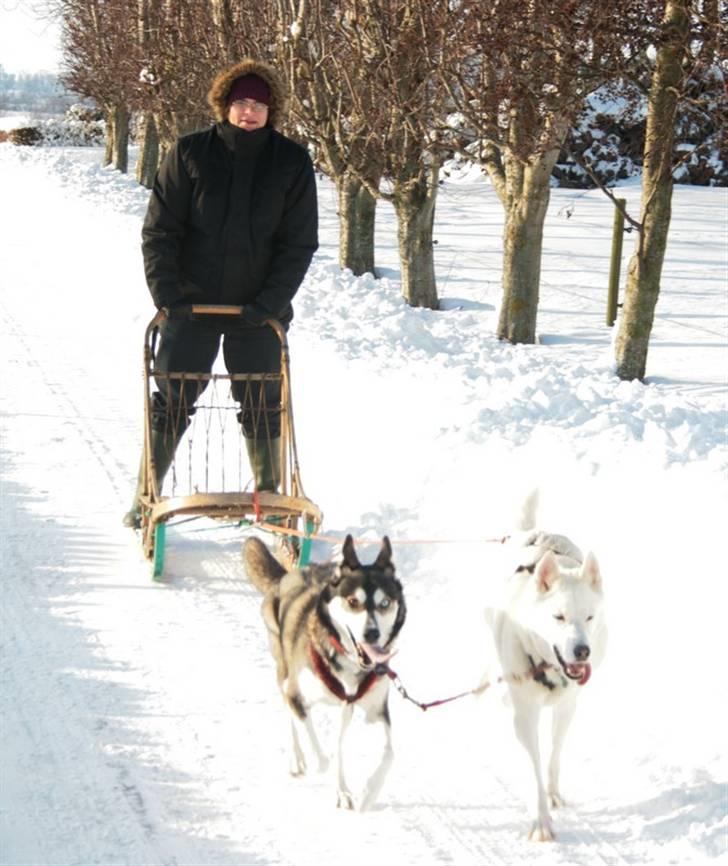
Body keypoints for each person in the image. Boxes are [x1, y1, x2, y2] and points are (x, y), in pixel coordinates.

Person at [123, 58, 318, 528]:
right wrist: (170, 297)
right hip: (191, 307)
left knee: (263, 403)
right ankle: (146, 496)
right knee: (171, 400)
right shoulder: (190, 153)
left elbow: (299, 243)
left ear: (272, 110)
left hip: (258, 312)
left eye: (258, 104)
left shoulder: (291, 161)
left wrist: (269, 304)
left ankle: (270, 498)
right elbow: (160, 232)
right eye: (241, 102)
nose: (249, 112)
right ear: (224, 105)